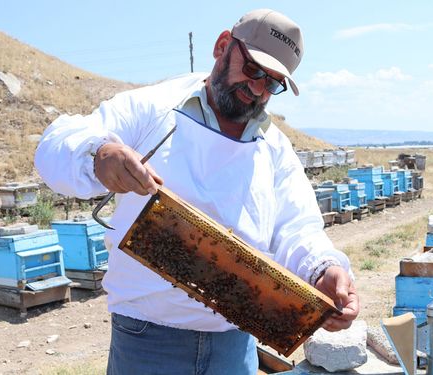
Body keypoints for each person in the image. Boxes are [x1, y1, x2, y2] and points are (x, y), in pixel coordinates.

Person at [35, 8, 359, 374]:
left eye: (272, 84)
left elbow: (297, 226)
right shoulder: (153, 108)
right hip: (146, 338)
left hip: (234, 344)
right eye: (253, 70)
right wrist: (99, 154)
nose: (257, 89)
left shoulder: (276, 148)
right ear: (223, 46)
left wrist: (324, 269)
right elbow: (55, 144)